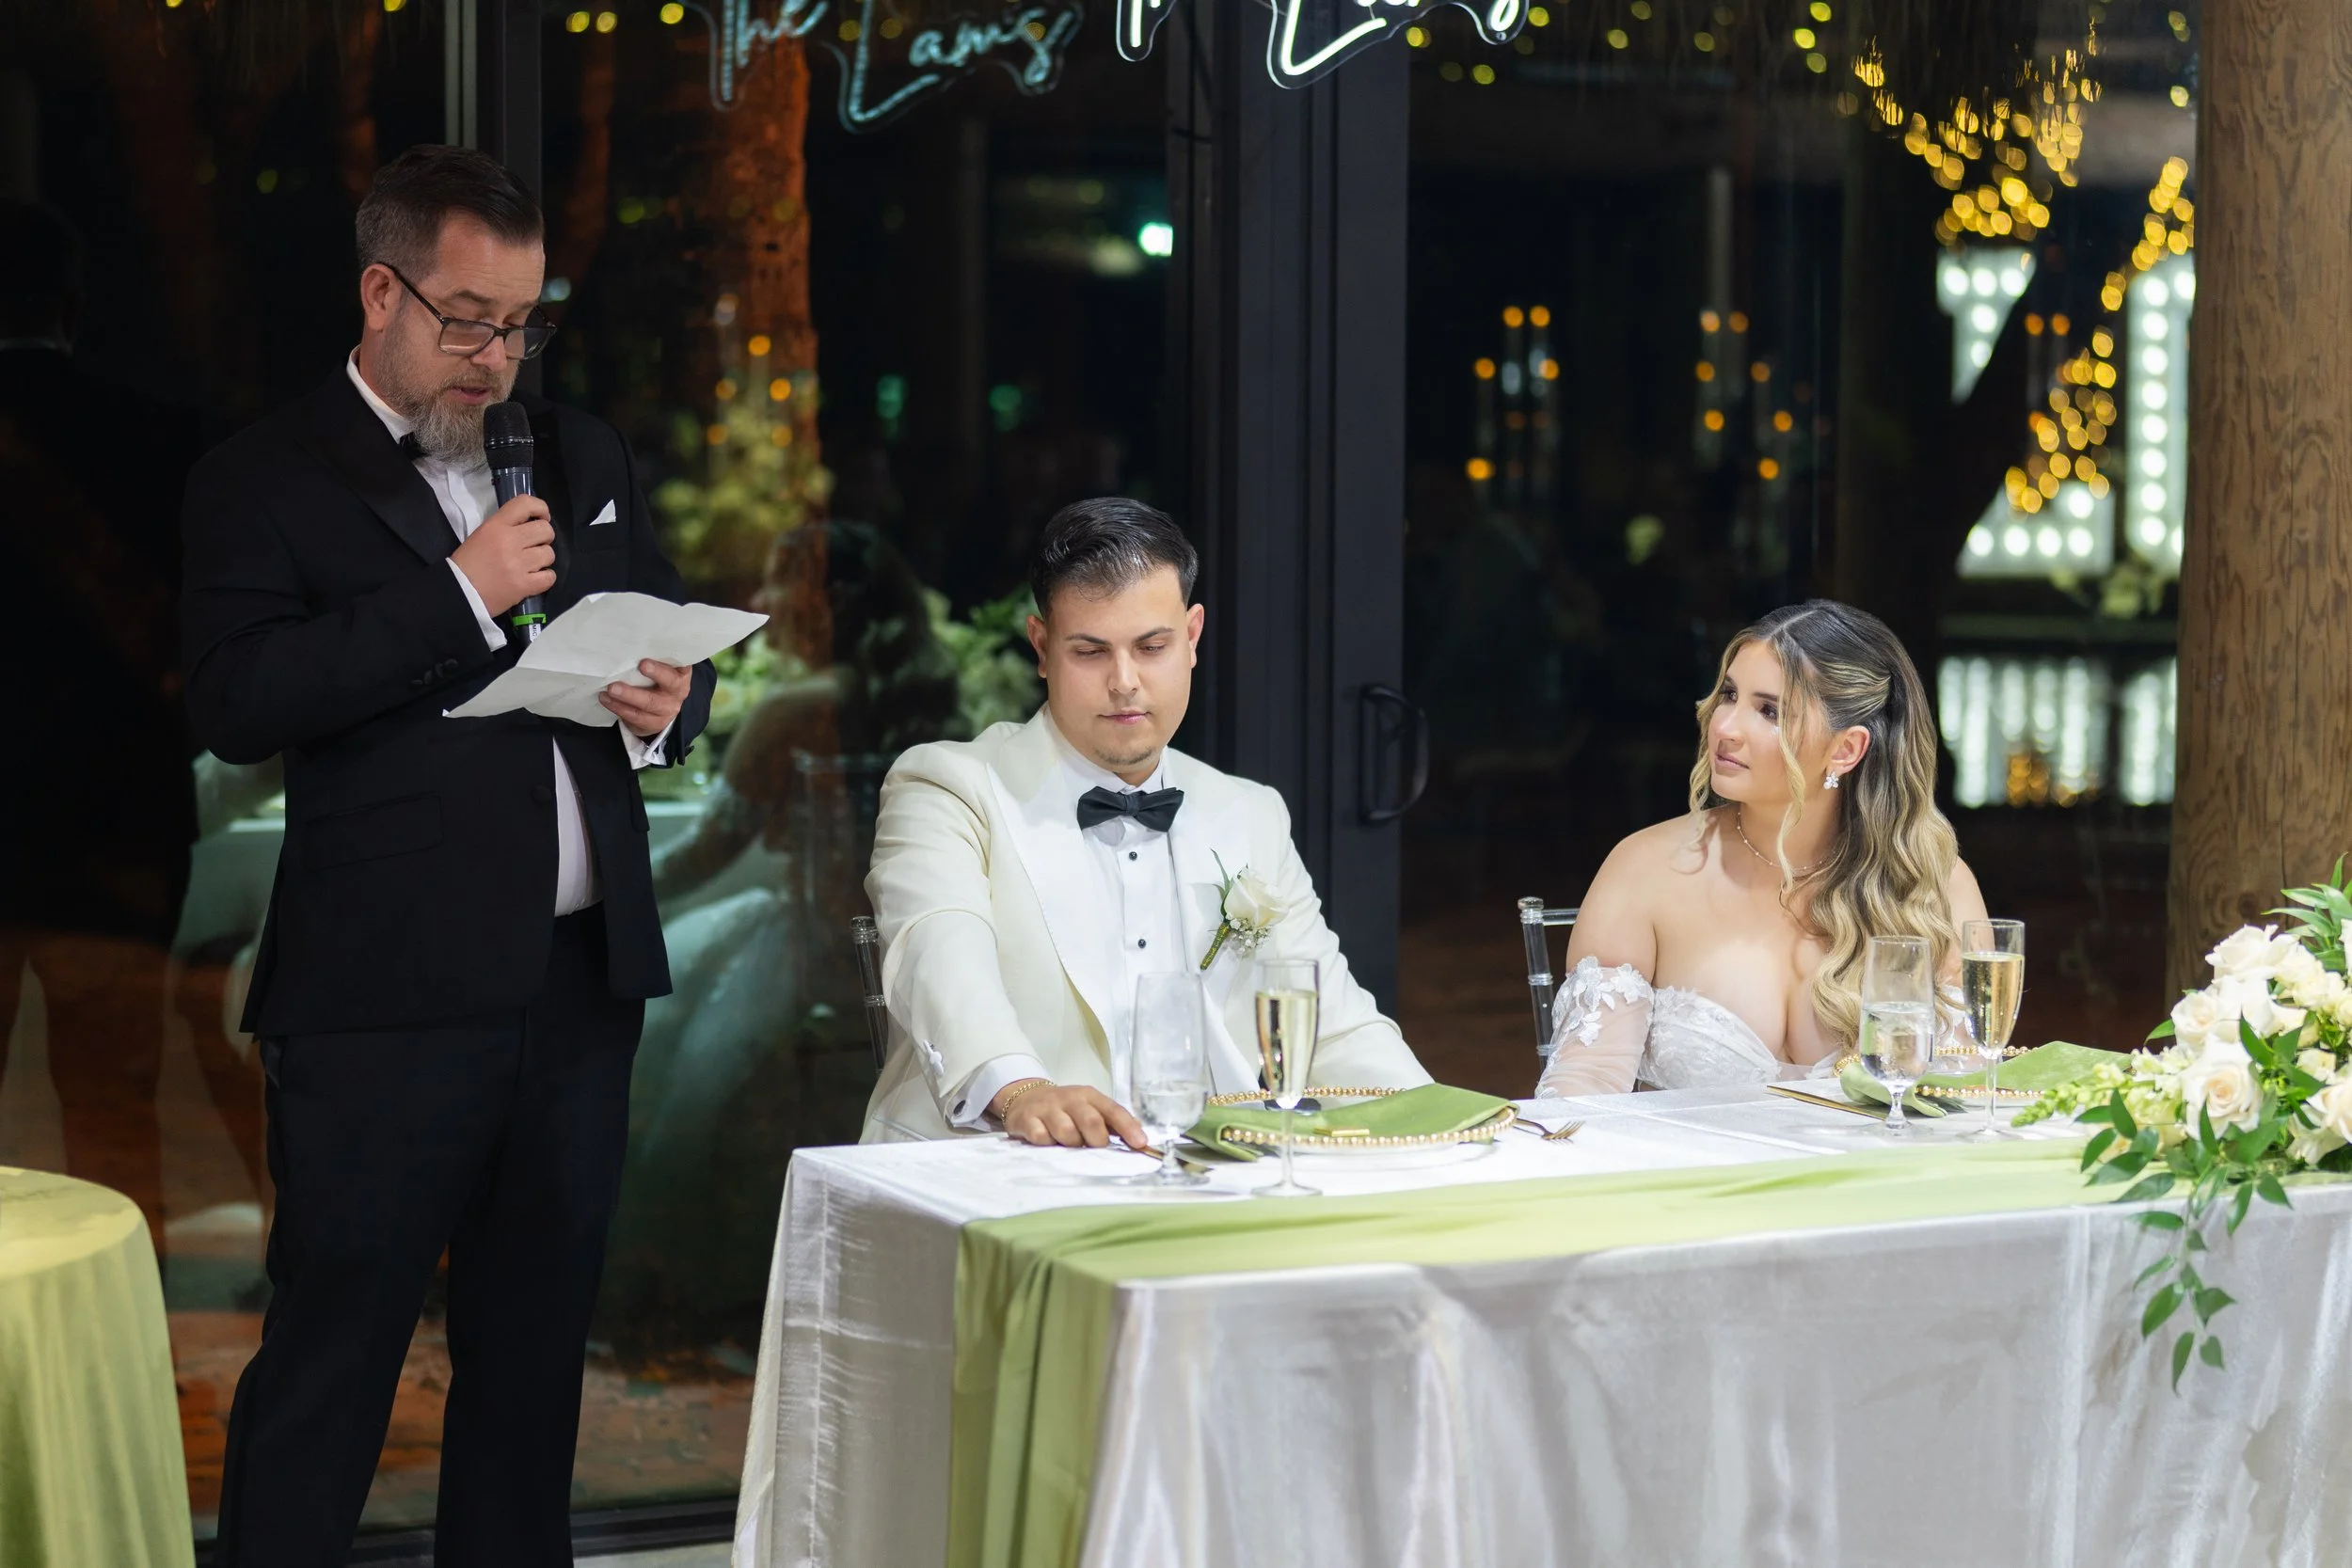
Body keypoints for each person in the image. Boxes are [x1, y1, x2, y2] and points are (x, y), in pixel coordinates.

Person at [179, 146, 714, 1566]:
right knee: (332, 1363)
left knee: (536, 1369)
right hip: (383, 998)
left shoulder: (579, 449)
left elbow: (656, 638)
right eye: (469, 317)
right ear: (380, 290)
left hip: (577, 989)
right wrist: (458, 597)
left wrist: (671, 707)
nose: (498, 354)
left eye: (522, 321)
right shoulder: (264, 477)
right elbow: (239, 702)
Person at [862, 496, 1430, 1147]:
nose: (1124, 681)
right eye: (1090, 652)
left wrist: (1443, 1121)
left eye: (1151, 646)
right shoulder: (947, 786)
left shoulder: (1248, 811)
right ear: (1042, 648)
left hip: (1210, 1175)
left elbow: (1331, 1019)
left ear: (1191, 638)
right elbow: (937, 958)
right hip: (994, 1159)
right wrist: (1022, 1091)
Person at [1534, 599, 1988, 1097]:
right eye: (1728, 694)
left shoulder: (1932, 885)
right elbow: (1586, 1083)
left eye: (1769, 710)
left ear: (1846, 749)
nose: (1725, 727)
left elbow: (1967, 1090)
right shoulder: (1644, 870)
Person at [0, 199, 202, 1249]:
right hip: (116, 818)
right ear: (71, 307)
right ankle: (112, 1325)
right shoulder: (160, 439)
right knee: (113, 1100)